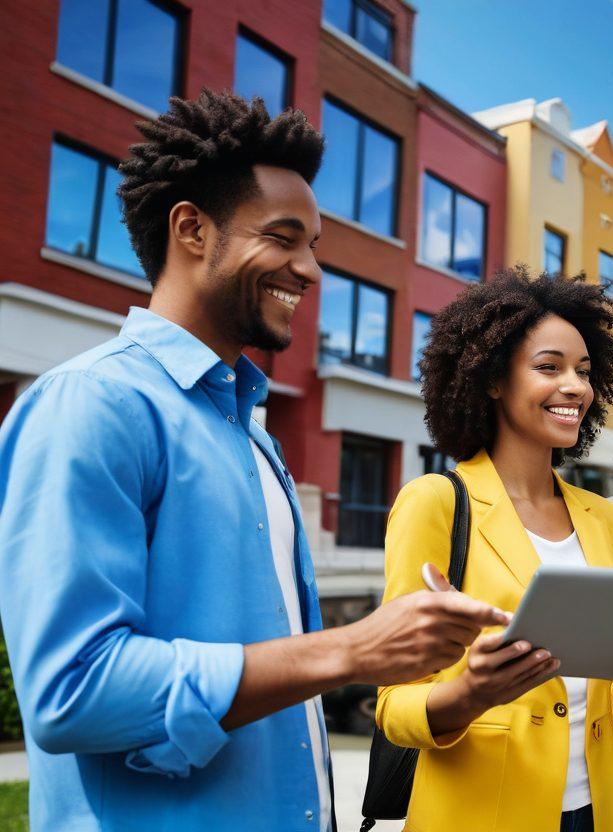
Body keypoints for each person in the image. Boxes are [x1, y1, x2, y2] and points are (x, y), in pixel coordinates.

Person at [0, 90, 506, 832]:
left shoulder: (252, 437)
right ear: (191, 229)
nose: (309, 271)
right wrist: (349, 650)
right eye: (283, 237)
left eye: (315, 246)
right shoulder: (91, 403)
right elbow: (71, 690)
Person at [376, 269, 613, 832]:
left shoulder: (604, 519)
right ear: (493, 379)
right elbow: (393, 706)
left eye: (585, 372)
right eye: (550, 367)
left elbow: (598, 697)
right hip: (483, 815)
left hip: (597, 812)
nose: (576, 387)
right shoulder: (434, 503)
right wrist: (470, 693)